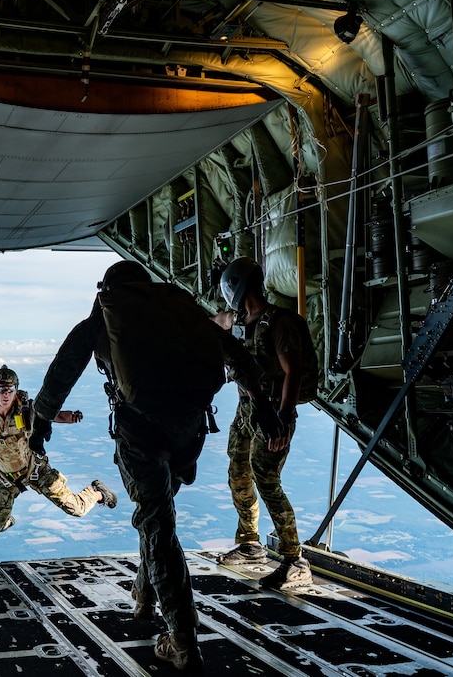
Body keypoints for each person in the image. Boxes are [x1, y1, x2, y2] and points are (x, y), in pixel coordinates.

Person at [31, 260, 283, 672]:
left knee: (158, 524)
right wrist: (266, 412)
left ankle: (182, 640)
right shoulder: (179, 310)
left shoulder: (107, 313)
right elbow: (237, 356)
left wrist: (41, 423)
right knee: (157, 516)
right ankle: (145, 596)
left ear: (108, 289)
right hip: (189, 432)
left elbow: (63, 370)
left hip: (141, 433)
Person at [214, 256, 314, 591]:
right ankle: (250, 544)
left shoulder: (279, 324)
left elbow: (293, 373)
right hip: (246, 410)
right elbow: (219, 321)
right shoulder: (242, 320)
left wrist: (282, 420)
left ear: (235, 289)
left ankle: (294, 560)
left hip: (272, 413)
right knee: (238, 472)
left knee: (266, 479)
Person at [0, 364, 118, 540]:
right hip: (5, 478)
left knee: (77, 509)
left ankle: (97, 492)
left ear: (16, 389)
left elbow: (52, 415)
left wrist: (71, 417)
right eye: (0, 389)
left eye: (10, 389)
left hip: (36, 471)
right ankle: (5, 521)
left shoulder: (26, 410)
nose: (6, 394)